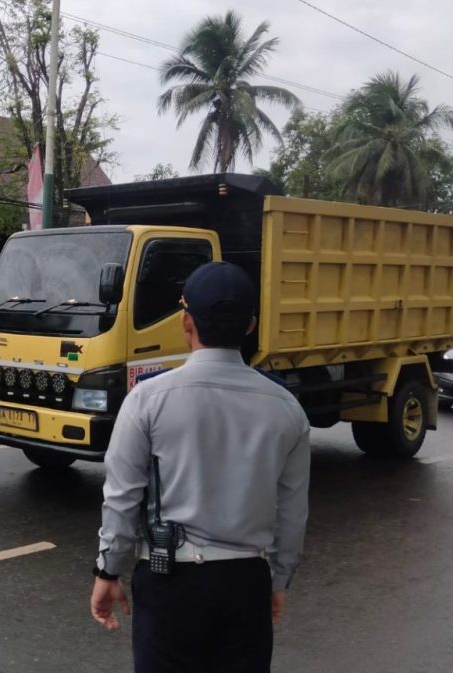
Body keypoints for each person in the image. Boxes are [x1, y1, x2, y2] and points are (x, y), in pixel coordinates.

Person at [90, 261, 311, 673]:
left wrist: (108, 570)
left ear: (185, 321)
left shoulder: (147, 399)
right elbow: (292, 511)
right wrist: (279, 581)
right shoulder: (288, 409)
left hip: (169, 583)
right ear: (250, 326)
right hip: (248, 583)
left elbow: (122, 496)